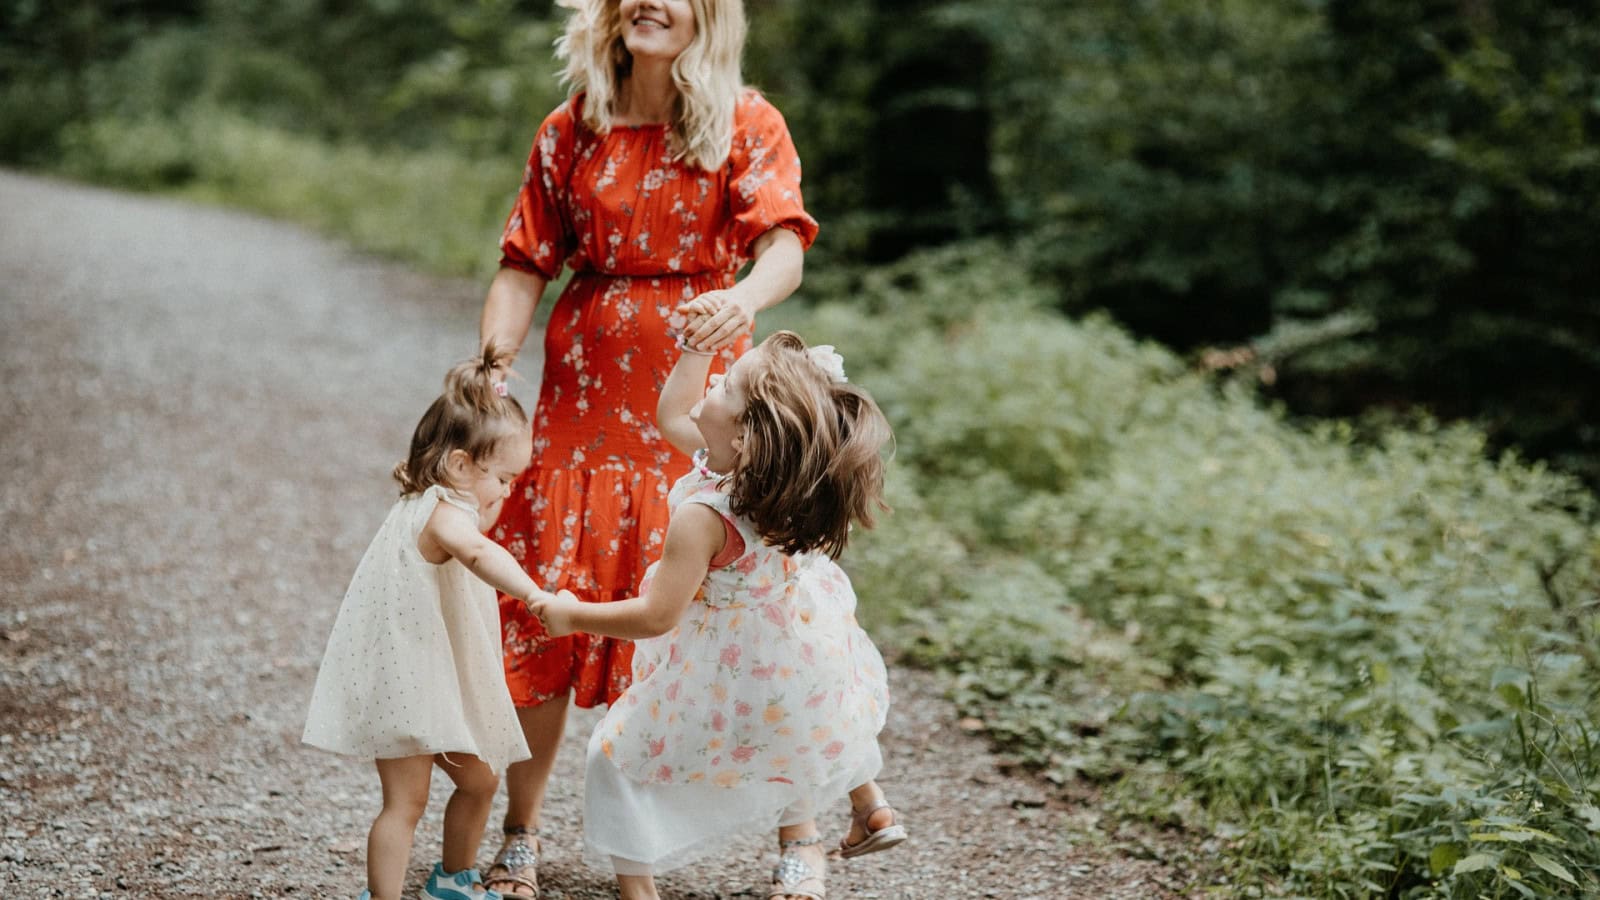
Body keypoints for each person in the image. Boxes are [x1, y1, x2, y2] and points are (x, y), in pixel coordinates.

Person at [476, 0, 821, 894]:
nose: (648, 2)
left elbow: (784, 247)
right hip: (582, 398)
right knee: (552, 593)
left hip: (702, 394)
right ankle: (522, 831)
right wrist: (495, 357)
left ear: (710, 15)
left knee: (748, 603)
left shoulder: (747, 120)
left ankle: (802, 835)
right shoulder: (572, 128)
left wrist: (743, 301)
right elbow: (523, 261)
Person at [527, 329, 907, 900]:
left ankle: (639, 892)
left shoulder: (705, 516)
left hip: (722, 662)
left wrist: (572, 614)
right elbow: (676, 413)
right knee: (813, 728)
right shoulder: (788, 482)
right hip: (790, 650)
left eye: (726, 383)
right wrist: (696, 346)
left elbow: (657, 617)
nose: (713, 381)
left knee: (614, 756)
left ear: (747, 435)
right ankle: (869, 805)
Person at [302, 346, 559, 900]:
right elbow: (481, 556)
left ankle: (453, 879)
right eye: (504, 479)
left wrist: (488, 502)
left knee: (481, 779)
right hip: (403, 685)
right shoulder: (445, 516)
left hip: (428, 680)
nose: (508, 493)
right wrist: (535, 595)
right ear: (461, 465)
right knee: (406, 803)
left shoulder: (440, 502)